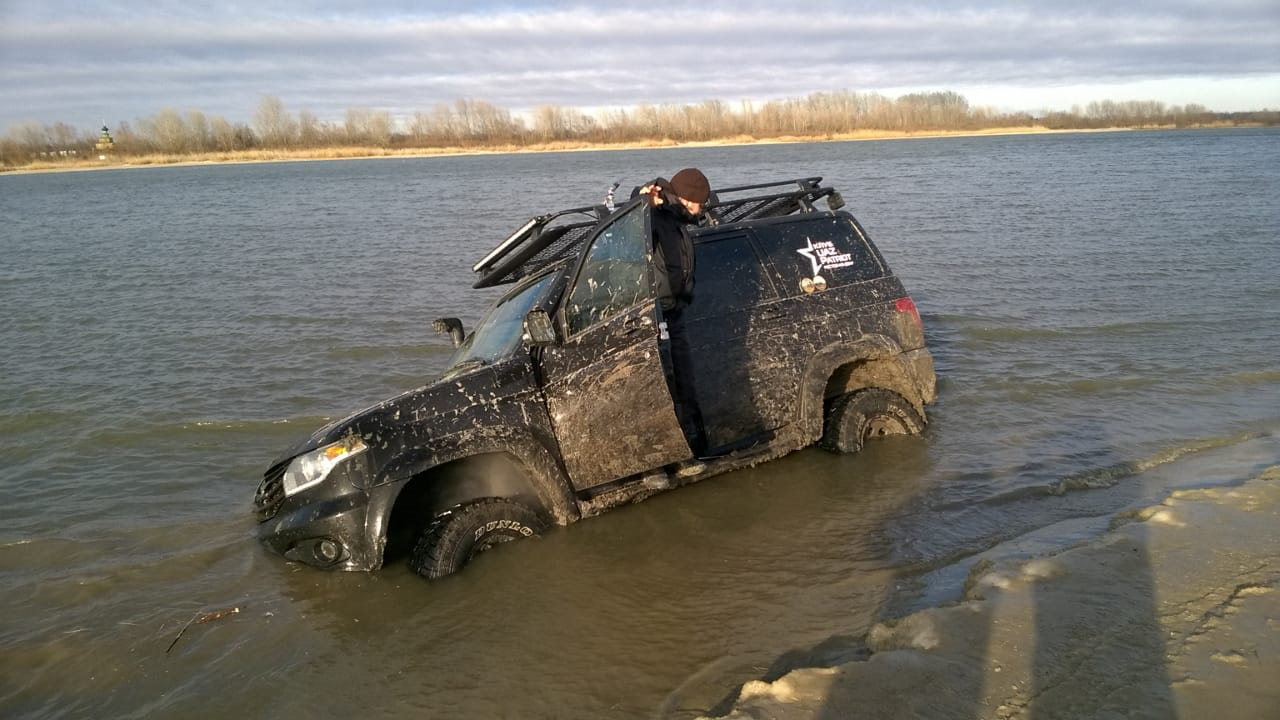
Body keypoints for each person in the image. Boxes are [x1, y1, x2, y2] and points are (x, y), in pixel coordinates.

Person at [639, 168, 711, 474]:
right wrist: (643, 201)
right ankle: (656, 465)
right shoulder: (657, 215)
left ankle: (690, 451)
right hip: (652, 318)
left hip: (675, 313)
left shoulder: (679, 222)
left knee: (684, 384)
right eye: (696, 203)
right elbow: (635, 218)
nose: (699, 210)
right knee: (659, 389)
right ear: (683, 197)